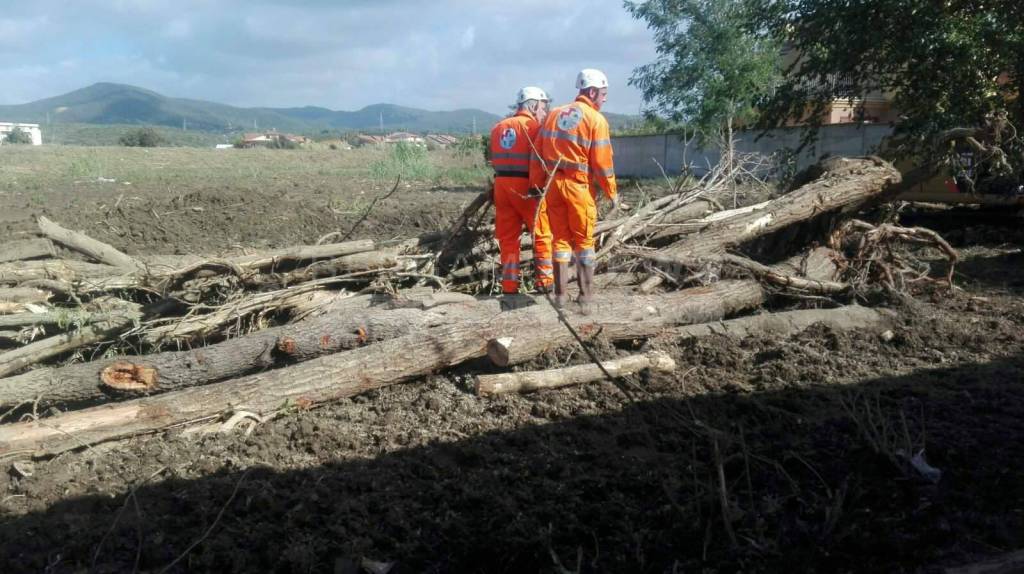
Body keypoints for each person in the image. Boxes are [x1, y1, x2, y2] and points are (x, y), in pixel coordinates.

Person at [529, 68, 617, 312]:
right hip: (578, 188)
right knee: (584, 241)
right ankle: (586, 297)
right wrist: (611, 192)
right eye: (603, 93)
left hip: (553, 186)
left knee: (561, 241)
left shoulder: (554, 114)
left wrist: (536, 185)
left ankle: (560, 296)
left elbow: (537, 156)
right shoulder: (595, 120)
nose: (605, 98)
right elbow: (601, 163)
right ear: (592, 91)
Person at [489, 86, 554, 299]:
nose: (544, 113)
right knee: (542, 233)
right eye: (543, 108)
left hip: (501, 186)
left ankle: (509, 286)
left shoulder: (498, 127)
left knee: (508, 239)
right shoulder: (533, 128)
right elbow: (538, 162)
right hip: (526, 187)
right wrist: (538, 188)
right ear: (534, 105)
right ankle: (545, 283)